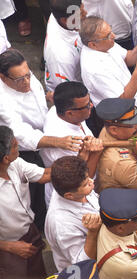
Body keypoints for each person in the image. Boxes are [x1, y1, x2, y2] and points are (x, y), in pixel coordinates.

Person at [0, 49, 83, 230]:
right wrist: (57, 141)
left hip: (45, 131)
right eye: (20, 79)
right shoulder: (3, 100)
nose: (27, 82)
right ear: (3, 78)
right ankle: (40, 225)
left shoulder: (25, 77)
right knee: (34, 191)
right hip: (25, 150)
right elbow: (20, 132)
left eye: (28, 75)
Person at [0, 126, 51, 279]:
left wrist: (79, 160)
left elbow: (45, 175)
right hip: (7, 247)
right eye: (16, 145)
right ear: (6, 158)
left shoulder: (16, 164)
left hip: (30, 234)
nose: (19, 147)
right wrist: (9, 246)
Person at [40, 81, 103, 206]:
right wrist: (95, 153)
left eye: (89, 102)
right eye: (86, 106)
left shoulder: (61, 112)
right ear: (70, 113)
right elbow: (81, 179)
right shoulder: (65, 141)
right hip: (73, 197)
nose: (91, 105)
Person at [79, 16, 137, 108]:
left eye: (111, 31)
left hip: (135, 104)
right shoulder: (94, 70)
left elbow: (127, 59)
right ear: (93, 44)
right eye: (108, 36)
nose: (114, 36)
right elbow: (122, 101)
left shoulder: (105, 43)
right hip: (122, 115)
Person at [44, 156, 102, 272]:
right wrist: (93, 232)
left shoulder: (73, 187)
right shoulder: (62, 224)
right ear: (69, 195)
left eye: (88, 177)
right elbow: (82, 264)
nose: (91, 182)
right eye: (86, 184)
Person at [95, 98, 137, 194]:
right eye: (133, 125)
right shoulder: (122, 162)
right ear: (114, 130)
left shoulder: (109, 128)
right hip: (125, 203)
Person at [44, 0, 87, 92]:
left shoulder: (59, 15)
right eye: (81, 14)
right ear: (65, 20)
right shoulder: (61, 56)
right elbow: (68, 92)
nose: (85, 14)